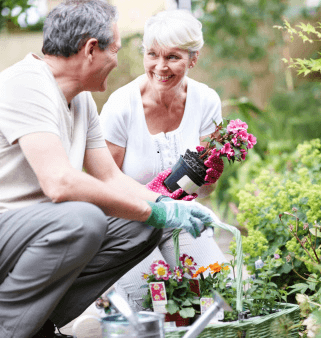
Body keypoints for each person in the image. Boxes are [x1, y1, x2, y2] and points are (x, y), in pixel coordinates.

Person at [0, 1, 217, 337]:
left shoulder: (82, 99)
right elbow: (60, 183)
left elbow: (110, 177)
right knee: (84, 219)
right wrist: (150, 211)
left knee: (140, 226)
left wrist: (162, 206)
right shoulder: (25, 84)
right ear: (90, 50)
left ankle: (40, 321)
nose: (117, 61)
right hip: (10, 226)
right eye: (114, 50)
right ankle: (9, 328)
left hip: (43, 233)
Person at [100, 9, 228, 312]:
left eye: (173, 57)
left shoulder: (206, 100)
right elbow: (104, 182)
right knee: (153, 304)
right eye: (153, 54)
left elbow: (204, 188)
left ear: (193, 58)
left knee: (216, 294)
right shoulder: (122, 105)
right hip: (127, 223)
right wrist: (155, 208)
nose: (160, 66)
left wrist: (213, 171)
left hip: (181, 219)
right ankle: (111, 301)